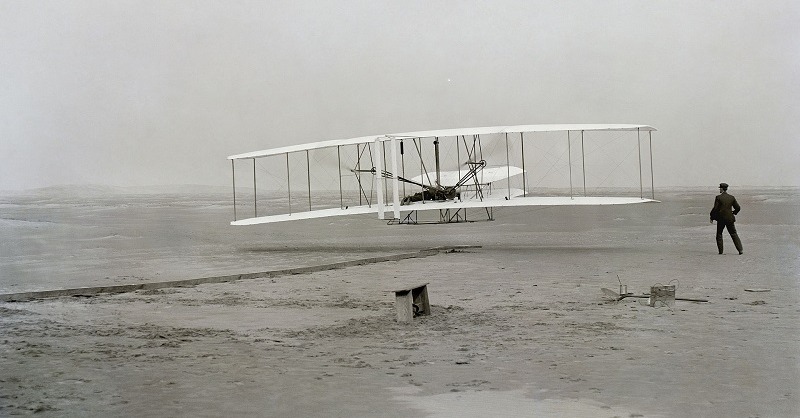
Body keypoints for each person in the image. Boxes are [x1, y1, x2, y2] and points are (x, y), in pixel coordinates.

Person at [709, 182, 743, 254]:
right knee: (734, 234)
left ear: (722, 188)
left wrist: (712, 216)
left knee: (719, 234)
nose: (719, 190)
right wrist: (734, 212)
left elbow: (715, 209)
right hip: (730, 218)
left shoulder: (718, 197)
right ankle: (740, 250)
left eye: (720, 188)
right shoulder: (731, 197)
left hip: (721, 219)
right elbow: (738, 207)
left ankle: (721, 252)